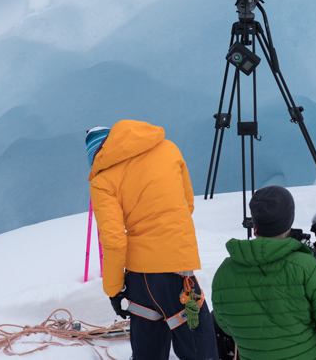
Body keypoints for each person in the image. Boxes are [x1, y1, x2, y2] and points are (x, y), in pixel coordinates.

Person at [86, 121, 218, 360]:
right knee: (198, 346)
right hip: (178, 272)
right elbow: (186, 203)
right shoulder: (168, 148)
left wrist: (114, 290)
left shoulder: (103, 182)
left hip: (140, 278)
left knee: (148, 349)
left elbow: (114, 241)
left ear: (97, 156)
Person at [211, 186, 316, 360]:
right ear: (289, 220)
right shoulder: (306, 267)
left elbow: (226, 326)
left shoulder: (224, 273)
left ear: (254, 221)